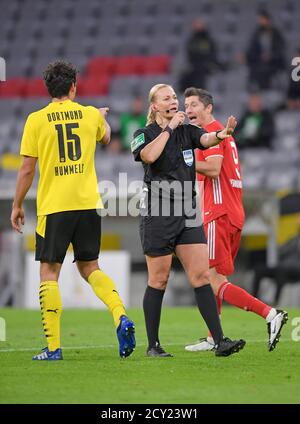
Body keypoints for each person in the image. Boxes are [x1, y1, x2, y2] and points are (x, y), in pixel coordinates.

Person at [10, 61, 135, 360]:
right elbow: (106, 137)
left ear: (48, 88)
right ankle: (120, 315)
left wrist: (16, 204)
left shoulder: (36, 120)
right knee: (90, 266)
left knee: (49, 271)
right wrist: (101, 119)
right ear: (73, 86)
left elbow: (27, 169)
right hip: (89, 204)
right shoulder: (90, 114)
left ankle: (53, 347)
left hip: (55, 206)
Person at [131, 83, 245, 357]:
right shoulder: (143, 134)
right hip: (158, 213)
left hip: (187, 212)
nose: (173, 101)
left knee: (201, 275)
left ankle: (219, 342)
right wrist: (169, 129)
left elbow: (206, 140)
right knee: (159, 279)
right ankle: (153, 345)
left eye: (174, 97)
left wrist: (222, 134)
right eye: (166, 98)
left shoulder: (187, 131)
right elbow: (148, 155)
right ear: (154, 106)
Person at [183, 87, 288, 353]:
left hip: (219, 212)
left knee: (210, 279)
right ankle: (213, 336)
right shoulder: (217, 135)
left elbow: (214, 169)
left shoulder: (212, 134)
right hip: (230, 211)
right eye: (187, 105)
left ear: (208, 108)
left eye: (194, 104)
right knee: (217, 275)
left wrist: (181, 161)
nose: (189, 110)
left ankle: (269, 314)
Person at [246, 10, 285, 91]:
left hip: (274, 63)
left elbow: (281, 49)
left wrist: (271, 56)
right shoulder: (257, 33)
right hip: (259, 62)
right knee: (255, 71)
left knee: (266, 72)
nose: (260, 21)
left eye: (262, 19)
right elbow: (252, 50)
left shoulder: (276, 33)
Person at [179, 18, 218, 92]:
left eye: (199, 25)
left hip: (205, 67)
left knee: (200, 77)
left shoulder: (208, 40)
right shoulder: (192, 40)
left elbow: (212, 54)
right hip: (194, 66)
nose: (198, 27)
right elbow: (190, 55)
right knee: (185, 77)